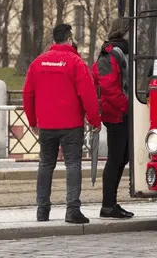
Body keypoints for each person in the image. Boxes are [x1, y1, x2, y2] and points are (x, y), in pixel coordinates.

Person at [23, 24, 102, 224]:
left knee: (45, 164)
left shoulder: (38, 63)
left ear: (53, 40)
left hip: (46, 125)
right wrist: (94, 120)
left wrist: (33, 120)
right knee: (73, 165)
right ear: (69, 40)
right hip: (71, 125)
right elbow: (88, 95)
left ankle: (42, 210)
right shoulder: (76, 63)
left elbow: (28, 94)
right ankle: (72, 210)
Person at [91, 18, 134, 219]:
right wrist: (128, 107)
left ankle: (112, 203)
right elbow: (109, 88)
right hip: (117, 113)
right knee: (116, 159)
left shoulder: (120, 53)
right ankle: (108, 205)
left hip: (120, 111)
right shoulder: (110, 54)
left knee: (122, 157)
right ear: (124, 32)